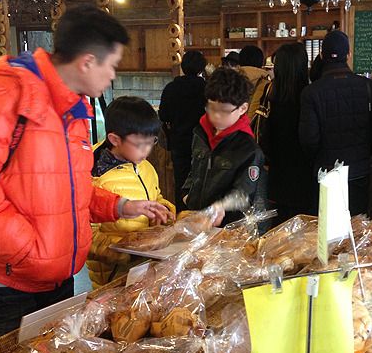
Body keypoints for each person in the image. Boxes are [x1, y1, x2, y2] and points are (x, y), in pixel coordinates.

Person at [0, 5, 170, 353]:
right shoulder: (7, 89)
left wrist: (120, 206)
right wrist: (31, 250)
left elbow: (67, 187)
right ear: (87, 61)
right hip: (1, 287)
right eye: (112, 65)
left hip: (53, 282)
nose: (112, 76)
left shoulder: (73, 107)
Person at [299, 30, 372, 215]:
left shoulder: (311, 92)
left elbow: (308, 139)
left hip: (326, 172)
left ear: (322, 55)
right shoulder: (367, 86)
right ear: (348, 54)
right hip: (359, 170)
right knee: (357, 225)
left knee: (327, 226)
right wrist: (365, 143)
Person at [88, 96, 176, 289]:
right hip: (112, 277)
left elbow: (156, 196)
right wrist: (124, 251)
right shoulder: (95, 176)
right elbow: (86, 235)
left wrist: (162, 211)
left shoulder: (145, 167)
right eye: (140, 144)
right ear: (115, 139)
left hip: (144, 268)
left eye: (152, 142)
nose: (147, 150)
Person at [182, 67, 264, 226]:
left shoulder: (248, 149)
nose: (216, 116)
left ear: (243, 108)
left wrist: (221, 206)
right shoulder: (201, 131)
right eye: (212, 108)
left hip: (226, 226)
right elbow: (195, 169)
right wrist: (186, 195)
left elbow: (244, 194)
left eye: (224, 111)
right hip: (196, 218)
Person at [264, 43, 314, 224]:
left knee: (280, 233)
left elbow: (266, 141)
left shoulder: (272, 98)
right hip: (306, 179)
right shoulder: (310, 98)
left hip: (278, 179)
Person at [159, 50, 207, 211]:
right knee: (202, 181)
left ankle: (181, 216)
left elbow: (163, 115)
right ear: (202, 68)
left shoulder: (171, 88)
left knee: (181, 182)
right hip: (203, 143)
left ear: (183, 66)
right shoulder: (207, 88)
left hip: (179, 142)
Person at [239, 45, 270, 119]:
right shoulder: (267, 84)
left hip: (231, 124)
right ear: (261, 62)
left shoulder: (229, 79)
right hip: (255, 124)